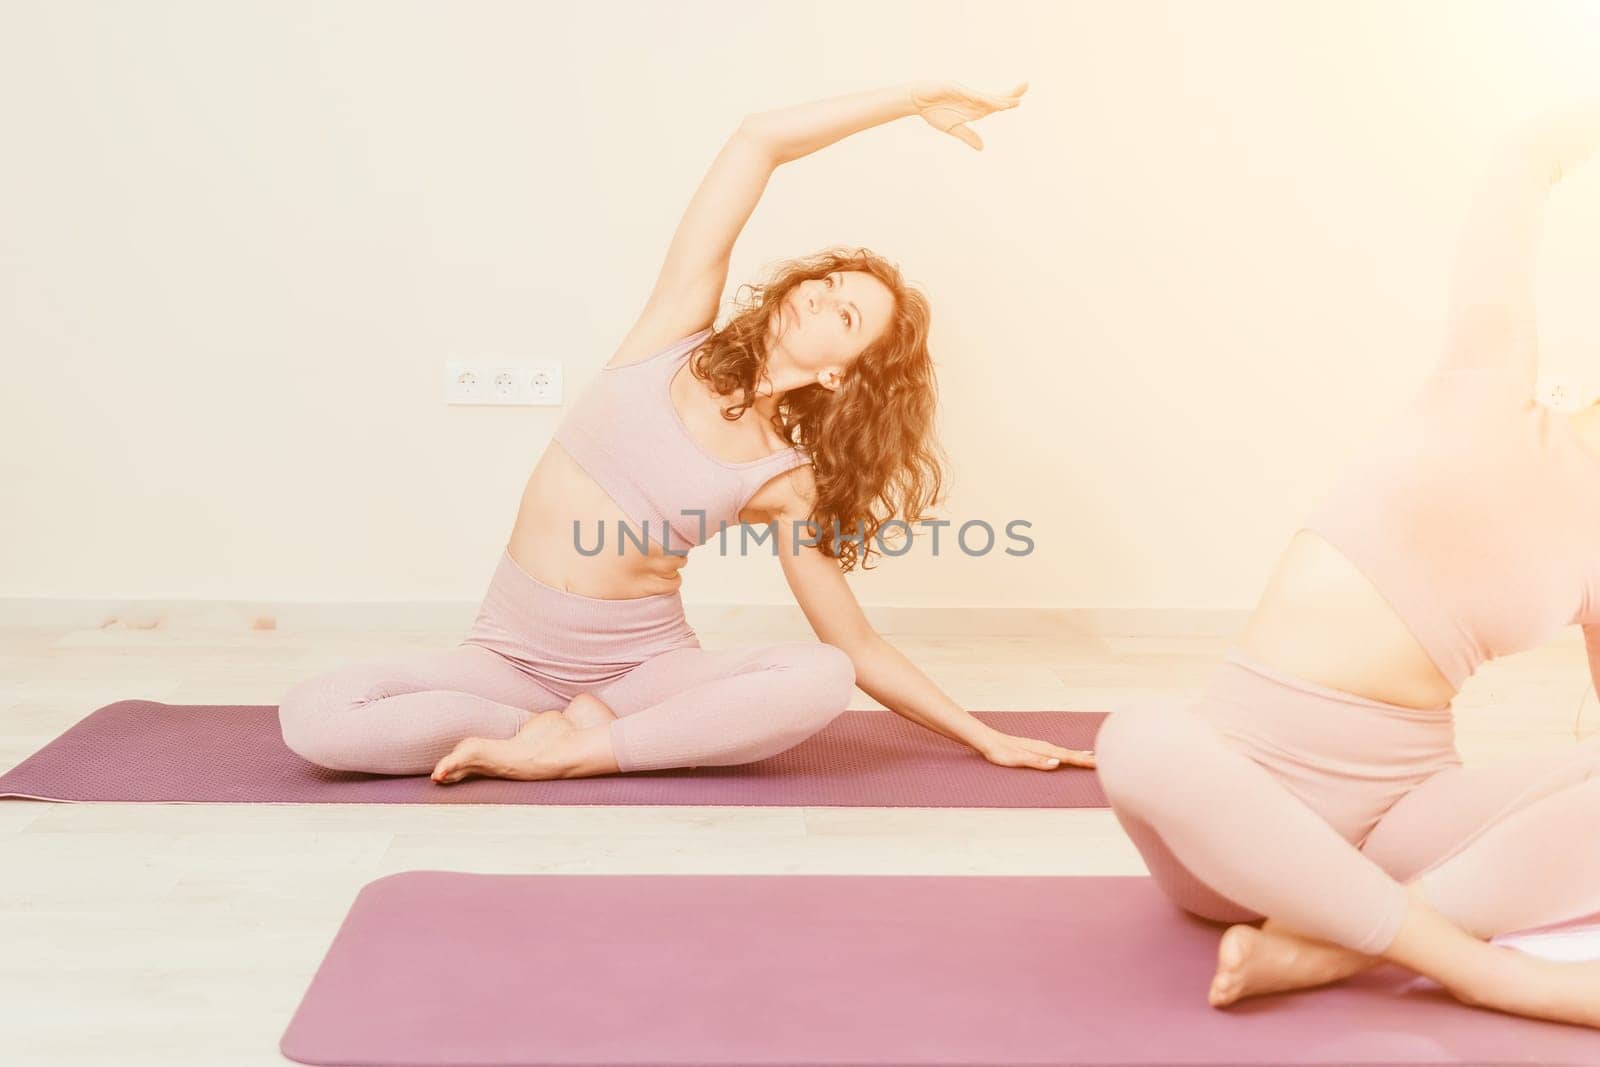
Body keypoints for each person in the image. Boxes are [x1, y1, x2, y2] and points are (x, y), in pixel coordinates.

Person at [276, 80, 1095, 786]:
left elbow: (857, 643)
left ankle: (578, 752)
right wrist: (911, 100)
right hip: (506, 659)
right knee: (315, 716)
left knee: (820, 675)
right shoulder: (672, 332)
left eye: (847, 313)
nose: (820, 295)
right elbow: (759, 139)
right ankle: (553, 729)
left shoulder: (783, 478)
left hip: (642, 673)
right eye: (831, 281)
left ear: (845, 372)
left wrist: (984, 737)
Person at [1092, 101, 1600, 1028]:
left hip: (1406, 821)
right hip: (1235, 796)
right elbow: (1525, 161)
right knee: (1136, 735)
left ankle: (1324, 946)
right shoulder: (1491, 377)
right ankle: (1481, 970)